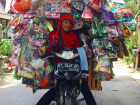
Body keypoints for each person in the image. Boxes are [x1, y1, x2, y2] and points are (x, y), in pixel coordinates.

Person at [36, 14, 97, 105]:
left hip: (73, 65)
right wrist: (51, 46)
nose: (67, 25)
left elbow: (77, 50)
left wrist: (83, 51)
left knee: (84, 88)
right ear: (61, 22)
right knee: (56, 88)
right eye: (65, 22)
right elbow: (47, 51)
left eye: (70, 23)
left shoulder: (74, 36)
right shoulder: (54, 34)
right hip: (59, 65)